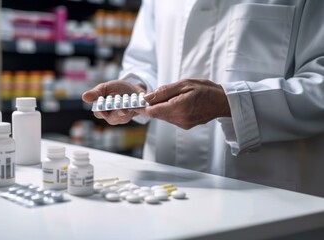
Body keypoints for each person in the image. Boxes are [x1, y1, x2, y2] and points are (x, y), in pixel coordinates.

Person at [83, 0, 324, 197]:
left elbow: (319, 85)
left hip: (265, 190)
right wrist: (136, 88)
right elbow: (144, 61)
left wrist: (228, 103)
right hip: (164, 179)